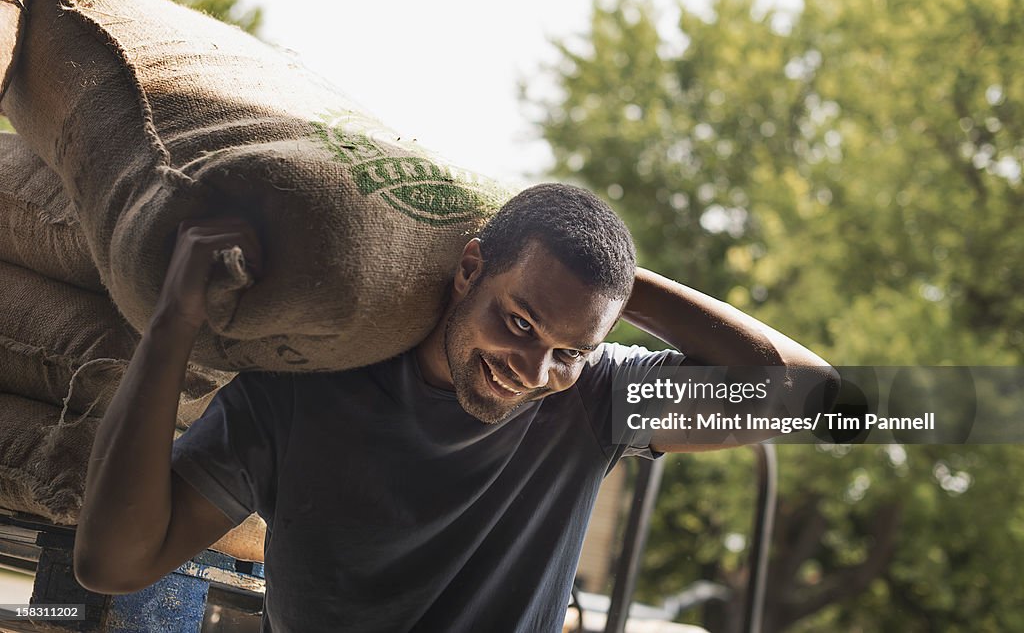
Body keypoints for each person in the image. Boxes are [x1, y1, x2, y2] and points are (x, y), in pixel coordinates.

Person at [72, 182, 833, 632]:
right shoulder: (303, 391)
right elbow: (113, 563)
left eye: (569, 348)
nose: (532, 371)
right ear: (470, 267)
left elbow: (815, 399)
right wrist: (174, 318)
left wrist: (616, 281)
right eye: (521, 322)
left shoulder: (592, 399)